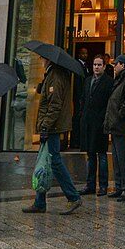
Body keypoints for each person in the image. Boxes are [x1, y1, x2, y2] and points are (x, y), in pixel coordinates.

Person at [24, 59, 83, 214]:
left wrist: (45, 126)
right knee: (45, 161)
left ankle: (73, 196)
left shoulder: (55, 76)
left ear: (48, 59)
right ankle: (40, 202)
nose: (41, 60)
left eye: (42, 58)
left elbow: (54, 105)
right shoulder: (52, 75)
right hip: (51, 126)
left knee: (54, 161)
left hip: (52, 127)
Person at [79, 55, 114, 194]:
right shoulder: (88, 80)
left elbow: (109, 103)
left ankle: (103, 185)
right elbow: (84, 98)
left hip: (100, 123)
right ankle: (90, 185)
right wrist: (82, 114)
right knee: (90, 154)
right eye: (94, 64)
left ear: (104, 66)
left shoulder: (109, 82)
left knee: (102, 155)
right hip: (88, 122)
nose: (96, 67)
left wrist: (105, 119)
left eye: (99, 65)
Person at [105, 54, 125, 200]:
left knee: (123, 158)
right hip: (115, 125)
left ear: (122, 65)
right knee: (116, 159)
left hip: (122, 125)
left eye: (116, 64)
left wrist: (119, 116)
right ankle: (119, 186)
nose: (114, 67)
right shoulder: (120, 80)